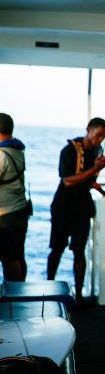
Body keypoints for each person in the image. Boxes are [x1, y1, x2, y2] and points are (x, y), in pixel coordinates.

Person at [47, 117, 105, 303]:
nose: (100, 140)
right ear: (88, 129)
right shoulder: (68, 151)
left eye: (103, 137)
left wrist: (102, 190)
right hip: (63, 206)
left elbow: (88, 180)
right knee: (57, 249)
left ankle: (80, 296)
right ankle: (48, 288)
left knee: (79, 250)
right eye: (98, 135)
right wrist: (95, 169)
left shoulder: (97, 151)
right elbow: (67, 180)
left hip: (82, 206)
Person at [0, 113, 29, 281]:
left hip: (5, 214)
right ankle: (20, 292)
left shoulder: (1, 153)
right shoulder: (18, 150)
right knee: (18, 254)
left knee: (8, 258)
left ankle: (12, 294)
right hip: (20, 210)